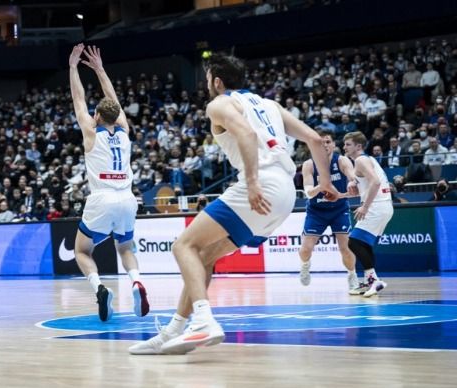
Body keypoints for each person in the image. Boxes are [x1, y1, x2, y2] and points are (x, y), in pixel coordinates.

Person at [129, 53, 339, 355]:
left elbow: (246, 133)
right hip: (286, 192)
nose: (206, 85)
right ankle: (174, 331)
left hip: (262, 184)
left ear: (217, 81)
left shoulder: (219, 104)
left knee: (182, 246)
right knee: (204, 256)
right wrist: (326, 183)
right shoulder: (270, 105)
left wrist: (252, 182)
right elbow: (315, 140)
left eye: (207, 79)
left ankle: (203, 321)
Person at [69, 44, 149, 322]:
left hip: (102, 198)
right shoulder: (125, 130)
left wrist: (73, 67)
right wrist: (100, 70)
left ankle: (100, 288)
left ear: (97, 116)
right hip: (127, 198)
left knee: (82, 250)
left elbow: (78, 99)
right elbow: (113, 101)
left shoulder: (91, 133)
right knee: (125, 248)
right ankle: (137, 282)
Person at [298, 131, 358, 290]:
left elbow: (352, 176)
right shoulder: (309, 165)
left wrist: (352, 182)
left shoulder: (342, 160)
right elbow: (309, 193)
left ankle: (352, 275)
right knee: (305, 250)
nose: (324, 145)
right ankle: (305, 266)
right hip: (316, 211)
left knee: (346, 248)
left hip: (339, 209)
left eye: (327, 142)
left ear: (333, 144)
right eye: (321, 142)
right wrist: (323, 185)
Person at [343, 131, 393, 298]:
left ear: (358, 146)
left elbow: (376, 182)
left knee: (354, 242)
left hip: (376, 206)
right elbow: (368, 185)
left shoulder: (360, 160)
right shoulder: (368, 159)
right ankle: (369, 281)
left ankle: (374, 281)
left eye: (348, 144)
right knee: (363, 244)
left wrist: (364, 206)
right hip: (383, 205)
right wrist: (345, 192)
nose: (344, 147)